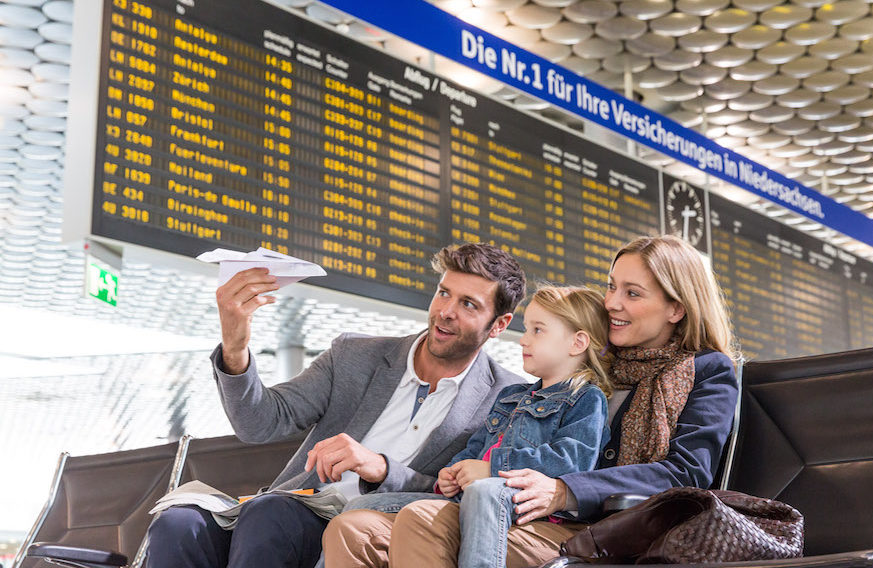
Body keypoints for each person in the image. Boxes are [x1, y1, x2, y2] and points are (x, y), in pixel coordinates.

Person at [322, 235, 739, 567]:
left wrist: (564, 489)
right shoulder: (585, 366)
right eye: (613, 287)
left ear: (676, 309)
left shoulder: (705, 371)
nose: (611, 302)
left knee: (422, 522)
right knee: (354, 529)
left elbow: (685, 474)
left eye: (633, 293)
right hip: (525, 507)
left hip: (602, 527)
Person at [146, 243, 527, 568]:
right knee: (177, 523)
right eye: (443, 293)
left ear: (499, 324)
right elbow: (259, 424)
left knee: (270, 515)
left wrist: (380, 468)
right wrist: (235, 347)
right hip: (299, 508)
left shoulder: (509, 397)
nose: (446, 311)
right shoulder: (355, 355)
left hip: (376, 528)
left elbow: (464, 495)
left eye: (469, 305)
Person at [336, 286, 613, 568]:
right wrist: (453, 471)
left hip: (517, 505)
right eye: (526, 329)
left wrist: (492, 468)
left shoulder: (587, 398)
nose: (523, 340)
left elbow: (572, 462)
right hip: (466, 497)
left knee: (482, 493)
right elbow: (475, 448)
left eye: (537, 330)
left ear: (577, 343)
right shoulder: (511, 396)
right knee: (356, 507)